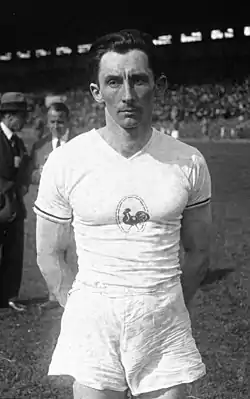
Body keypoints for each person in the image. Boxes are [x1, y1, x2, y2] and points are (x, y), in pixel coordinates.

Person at [35, 29, 212, 399]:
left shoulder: (189, 161)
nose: (127, 95)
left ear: (158, 85)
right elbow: (48, 253)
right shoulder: (66, 161)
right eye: (114, 82)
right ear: (97, 91)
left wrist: (164, 304)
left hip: (164, 325)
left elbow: (198, 254)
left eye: (138, 80)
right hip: (93, 326)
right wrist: (82, 305)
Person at [31, 98, 77, 309]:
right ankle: (55, 296)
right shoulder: (40, 146)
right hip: (50, 209)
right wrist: (39, 174)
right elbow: (28, 174)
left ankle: (77, 295)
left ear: (68, 121)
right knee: (51, 251)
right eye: (52, 122)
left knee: (76, 253)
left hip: (76, 207)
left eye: (59, 121)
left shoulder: (80, 144)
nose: (56, 126)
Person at [0, 92, 33, 312]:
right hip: (1, 201)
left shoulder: (18, 142)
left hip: (14, 204)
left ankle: (8, 296)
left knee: (13, 251)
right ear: (10, 116)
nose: (25, 121)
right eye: (22, 116)